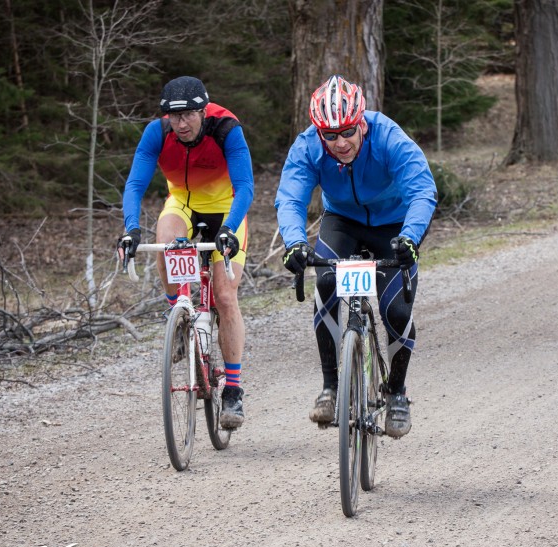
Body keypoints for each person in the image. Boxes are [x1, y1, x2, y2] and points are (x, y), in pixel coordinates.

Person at [274, 75, 437, 439]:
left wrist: (410, 238)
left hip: (393, 225)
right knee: (326, 281)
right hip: (342, 221)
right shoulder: (308, 146)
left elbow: (422, 190)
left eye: (347, 131)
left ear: (361, 122)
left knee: (396, 311)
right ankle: (330, 388)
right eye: (330, 135)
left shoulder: (388, 137)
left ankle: (397, 393)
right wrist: (294, 242)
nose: (340, 142)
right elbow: (291, 197)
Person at [118, 76, 253, 429]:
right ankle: (178, 317)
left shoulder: (226, 128)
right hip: (183, 204)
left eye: (189, 115)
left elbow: (245, 187)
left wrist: (229, 229)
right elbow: (135, 184)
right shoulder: (158, 133)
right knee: (165, 241)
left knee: (224, 295)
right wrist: (131, 229)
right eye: (175, 116)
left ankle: (233, 390)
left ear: (203, 111)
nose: (181, 124)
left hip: (226, 209)